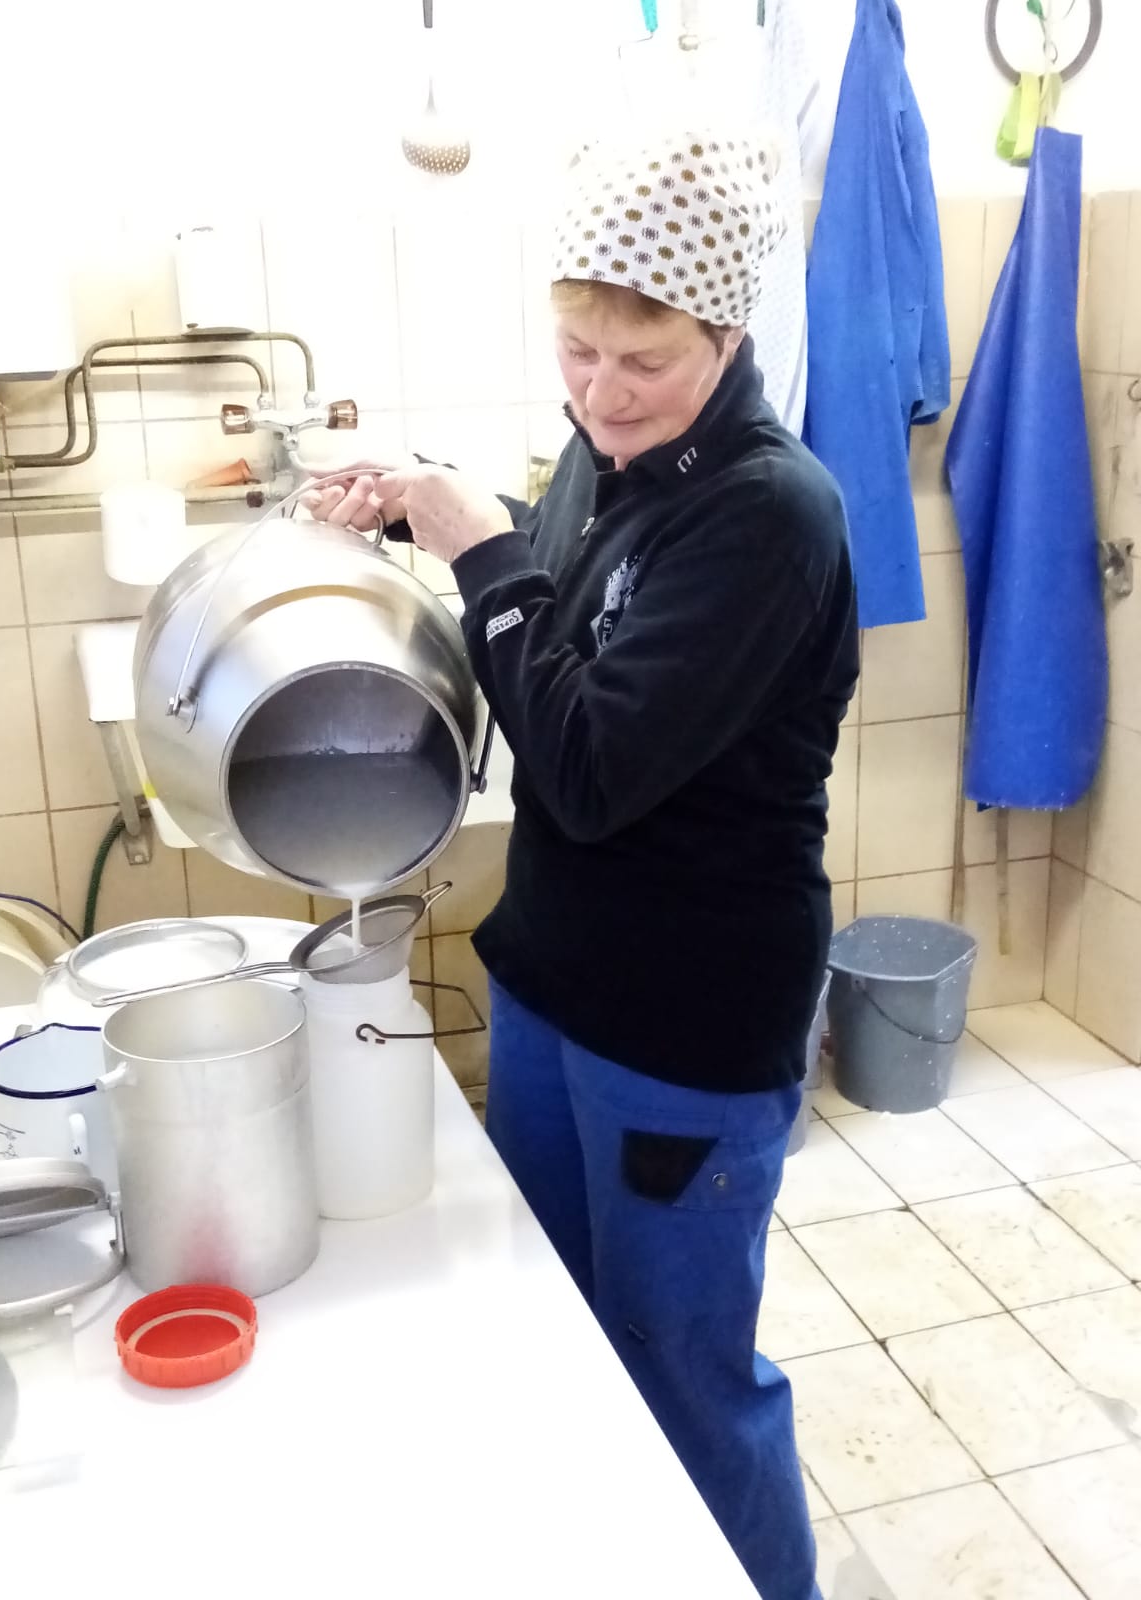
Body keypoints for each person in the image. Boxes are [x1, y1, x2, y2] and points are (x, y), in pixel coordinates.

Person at [306, 131, 857, 1600]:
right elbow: (551, 638)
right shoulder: (604, 461)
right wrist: (432, 500)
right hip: (553, 985)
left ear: (726, 335)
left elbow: (593, 771)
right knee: (559, 1326)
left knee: (684, 1372)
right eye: (577, 351)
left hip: (685, 1025)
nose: (603, 394)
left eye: (645, 362)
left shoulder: (769, 513)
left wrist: (480, 549)